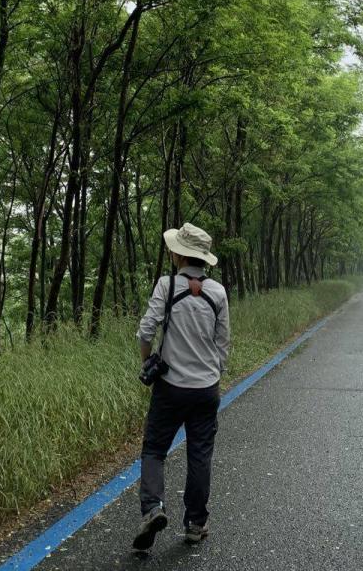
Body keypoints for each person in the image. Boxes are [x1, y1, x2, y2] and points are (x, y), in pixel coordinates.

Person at [132, 222, 230, 551]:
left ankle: (153, 509)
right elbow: (223, 344)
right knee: (199, 454)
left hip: (170, 386)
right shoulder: (218, 292)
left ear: (178, 255)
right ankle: (196, 524)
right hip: (206, 388)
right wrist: (214, 375)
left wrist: (148, 361)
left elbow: (146, 332)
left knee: (154, 450)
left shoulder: (167, 284)